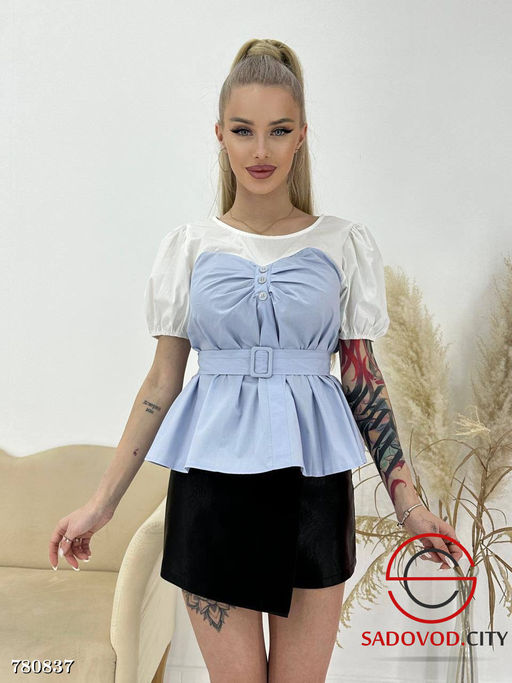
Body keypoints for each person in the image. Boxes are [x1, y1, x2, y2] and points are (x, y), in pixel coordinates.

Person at [49, 38, 463, 683]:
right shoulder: (189, 246)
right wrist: (101, 504)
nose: (260, 150)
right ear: (220, 135)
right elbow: (161, 383)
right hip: (212, 491)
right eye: (243, 130)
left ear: (302, 136)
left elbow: (362, 381)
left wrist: (409, 507)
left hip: (312, 490)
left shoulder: (344, 242)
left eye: (279, 130)